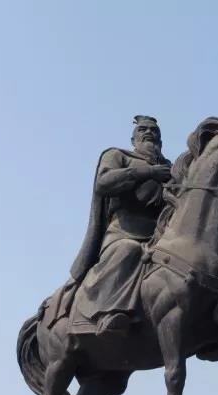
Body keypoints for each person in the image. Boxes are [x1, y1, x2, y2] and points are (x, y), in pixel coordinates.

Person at [69, 115, 172, 334]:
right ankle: (110, 312)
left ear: (161, 142)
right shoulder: (117, 155)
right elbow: (103, 182)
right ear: (133, 139)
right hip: (124, 233)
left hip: (161, 236)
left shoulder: (170, 169)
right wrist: (148, 172)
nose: (149, 132)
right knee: (129, 250)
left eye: (154, 131)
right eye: (143, 129)